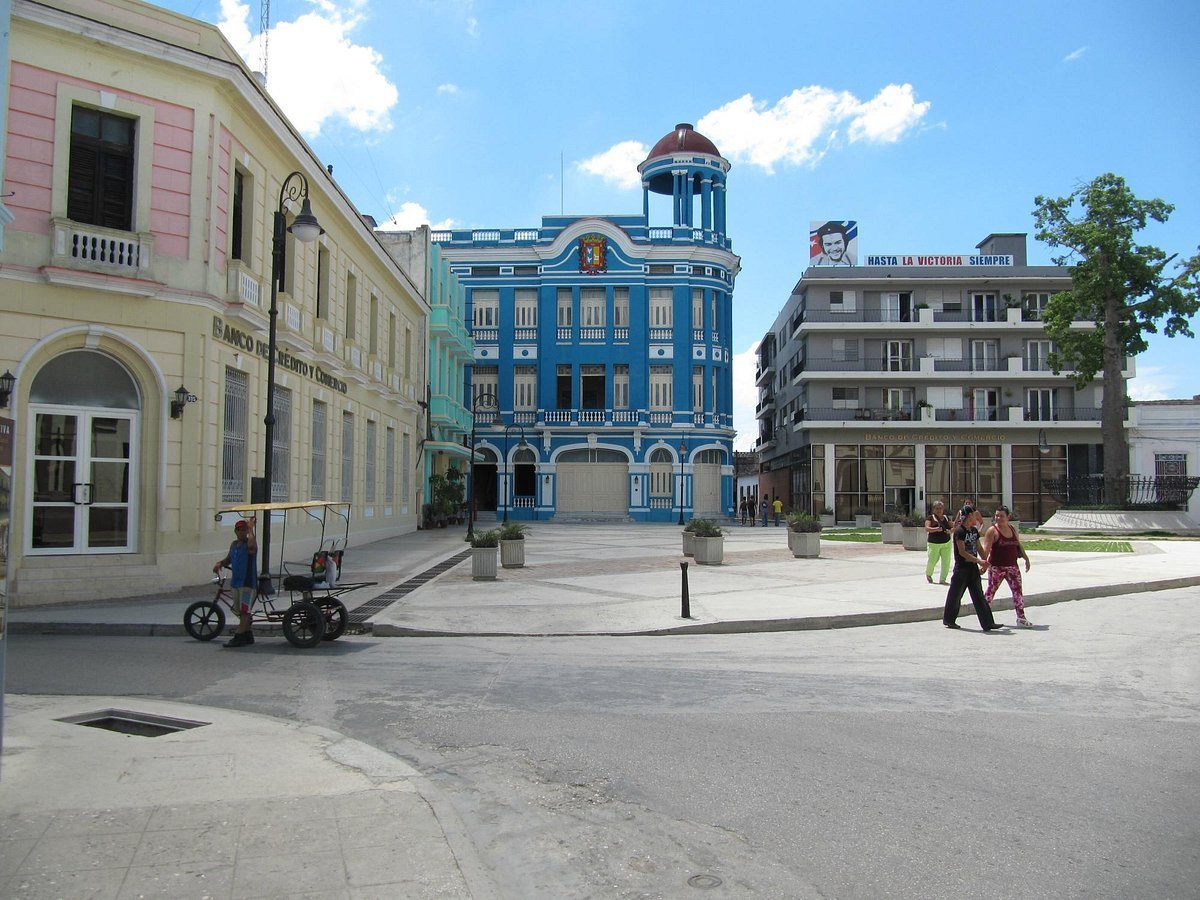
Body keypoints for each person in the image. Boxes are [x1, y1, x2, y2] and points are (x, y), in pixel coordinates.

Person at [942, 506, 1004, 631]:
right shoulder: (960, 532)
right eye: (974, 514)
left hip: (973, 569)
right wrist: (979, 561)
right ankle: (949, 620)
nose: (976, 516)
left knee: (979, 596)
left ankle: (988, 623)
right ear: (969, 515)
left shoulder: (974, 532)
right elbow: (962, 552)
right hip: (961, 569)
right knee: (956, 595)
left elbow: (979, 549)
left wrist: (986, 559)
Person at [981, 505, 1034, 627]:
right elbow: (986, 550)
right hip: (996, 567)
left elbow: (1018, 544)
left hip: (1012, 567)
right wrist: (983, 565)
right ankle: (984, 616)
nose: (998, 518)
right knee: (990, 592)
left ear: (1008, 517)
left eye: (1001, 516)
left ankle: (1021, 618)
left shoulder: (1012, 528)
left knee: (1017, 592)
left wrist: (1026, 558)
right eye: (997, 516)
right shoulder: (992, 531)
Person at [214, 517, 257, 647]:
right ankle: (247, 634)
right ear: (235, 531)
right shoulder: (234, 545)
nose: (241, 532)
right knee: (239, 610)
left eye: (244, 529)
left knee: (244, 611)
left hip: (247, 583)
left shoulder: (250, 544)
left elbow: (252, 546)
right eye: (239, 530)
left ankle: (238, 636)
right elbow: (229, 559)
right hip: (236, 583)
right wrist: (220, 563)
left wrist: (251, 529)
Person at [924, 501, 952, 585]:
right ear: (933, 509)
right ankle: (929, 574)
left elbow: (953, 527)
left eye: (940, 508)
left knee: (946, 561)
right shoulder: (930, 518)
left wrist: (950, 531)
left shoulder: (946, 518)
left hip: (946, 542)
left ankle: (943, 579)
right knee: (932, 560)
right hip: (934, 543)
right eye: (937, 508)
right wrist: (936, 529)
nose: (939, 510)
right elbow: (927, 528)